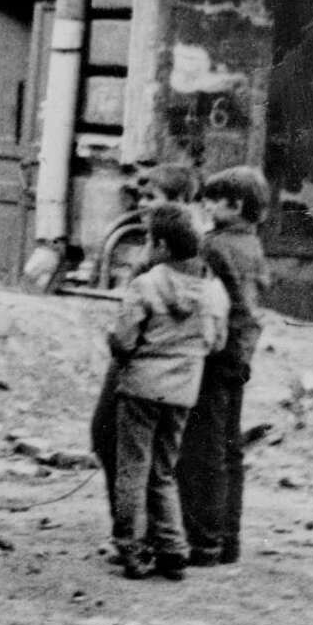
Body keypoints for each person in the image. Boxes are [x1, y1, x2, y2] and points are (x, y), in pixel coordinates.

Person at [103, 202, 227, 580]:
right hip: (182, 391)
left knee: (132, 469)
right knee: (164, 470)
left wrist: (118, 345)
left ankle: (132, 549)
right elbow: (216, 342)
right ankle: (174, 549)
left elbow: (124, 340)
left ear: (160, 245)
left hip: (141, 387)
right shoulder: (213, 289)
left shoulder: (145, 284)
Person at [181, 164, 268, 566]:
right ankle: (228, 540)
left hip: (216, 353)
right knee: (230, 448)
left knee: (204, 448)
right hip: (242, 353)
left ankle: (204, 541)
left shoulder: (213, 245)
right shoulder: (252, 243)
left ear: (235, 205)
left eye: (213, 200)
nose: (206, 205)